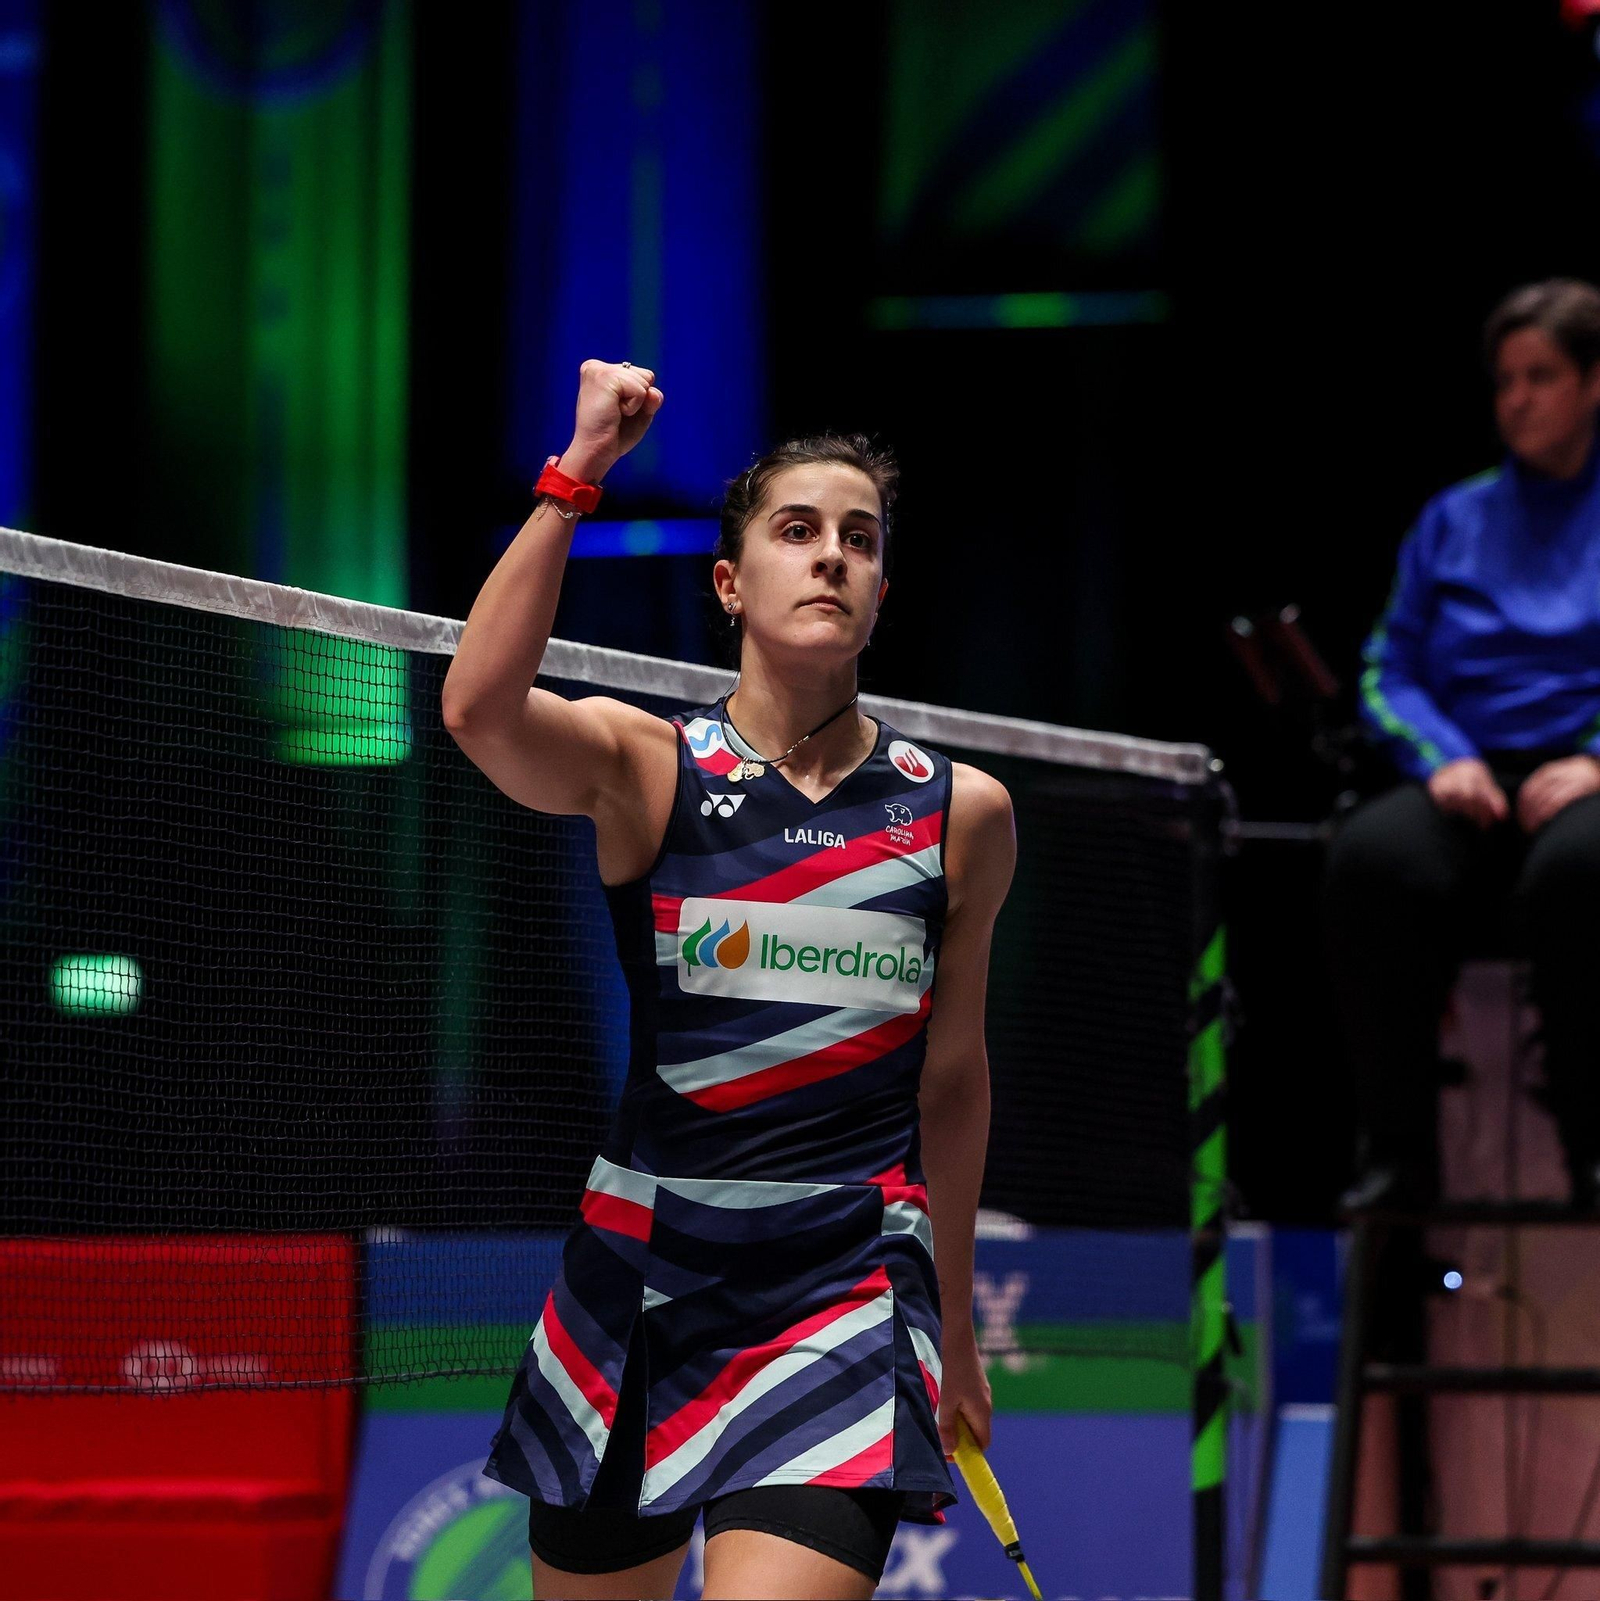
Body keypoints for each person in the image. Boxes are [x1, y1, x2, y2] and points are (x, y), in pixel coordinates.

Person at [441, 358, 1016, 1600]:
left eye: (858, 540)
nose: (830, 558)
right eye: (796, 531)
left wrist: (955, 1319)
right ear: (729, 582)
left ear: (880, 588)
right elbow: (480, 711)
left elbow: (954, 1079)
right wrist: (577, 469)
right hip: (641, 1275)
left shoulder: (958, 812)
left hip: (841, 1285)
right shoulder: (651, 769)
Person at [1324, 278, 1600, 1213]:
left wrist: (1595, 759)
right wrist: (1445, 757)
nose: (1516, 398)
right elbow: (1386, 670)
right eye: (1505, 380)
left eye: (1541, 376)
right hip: (1473, 772)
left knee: (1579, 868)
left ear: (1593, 384)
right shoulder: (1454, 518)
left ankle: (1588, 1145)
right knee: (1369, 858)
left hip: (1585, 776)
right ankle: (1401, 1152)